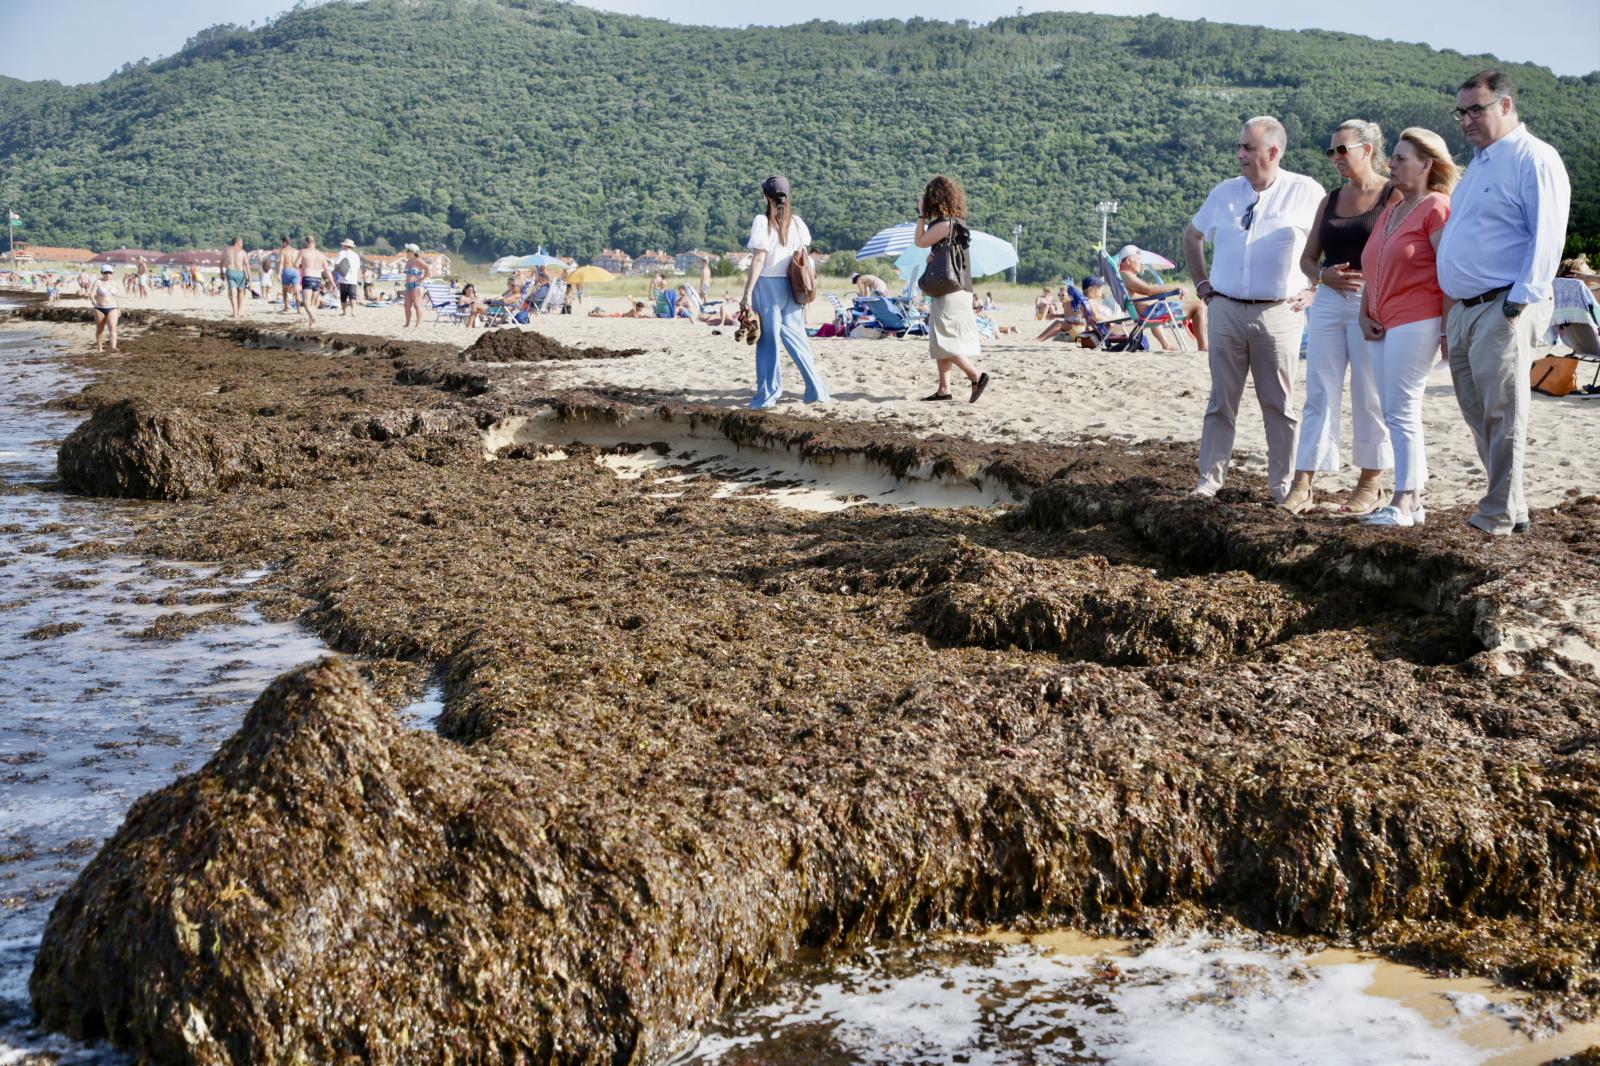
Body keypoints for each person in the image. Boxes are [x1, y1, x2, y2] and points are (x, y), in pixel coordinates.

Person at [1437, 70, 1572, 536]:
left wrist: (1518, 304)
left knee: (1504, 412)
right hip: (1466, 308)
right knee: (1478, 411)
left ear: (1506, 106)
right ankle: (1511, 507)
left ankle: (1495, 513)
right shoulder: (1479, 162)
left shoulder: (1533, 158)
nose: (1467, 119)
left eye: (1477, 109)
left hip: (1503, 303)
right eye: (1462, 111)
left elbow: (1548, 235)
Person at [1182, 116, 1324, 503]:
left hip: (1279, 312)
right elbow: (1192, 236)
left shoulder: (1306, 191)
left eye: (1248, 147)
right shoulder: (1224, 192)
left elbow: (1334, 242)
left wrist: (1315, 288)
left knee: (1279, 404)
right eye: (1240, 146)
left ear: (1273, 152)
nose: (1239, 154)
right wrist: (1201, 284)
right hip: (1224, 307)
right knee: (1220, 402)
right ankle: (1209, 482)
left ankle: (1283, 488)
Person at [1283, 119, 1401, 516]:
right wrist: (1320, 277)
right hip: (1331, 300)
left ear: (1366, 150)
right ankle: (1303, 483)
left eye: (1341, 150)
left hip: (1374, 300)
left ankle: (1370, 483)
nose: (1334, 157)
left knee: (1369, 394)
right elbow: (1306, 258)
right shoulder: (1330, 199)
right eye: (1331, 151)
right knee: (1319, 392)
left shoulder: (1393, 195)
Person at [1355, 129, 1458, 528]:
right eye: (1392, 158)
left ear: (1426, 164)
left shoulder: (1437, 206)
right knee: (1392, 409)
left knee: (1401, 409)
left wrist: (1448, 331)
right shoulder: (1392, 207)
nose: (1390, 164)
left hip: (1419, 318)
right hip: (1382, 319)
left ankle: (1406, 499)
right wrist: (1365, 311)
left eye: (1399, 158)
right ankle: (1411, 499)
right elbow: (1371, 264)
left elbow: (1448, 271)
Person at [738, 175, 830, 409]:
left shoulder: (762, 221)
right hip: (792, 286)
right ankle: (816, 390)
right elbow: (802, 254)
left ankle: (768, 394)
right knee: (798, 339)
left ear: (764, 197)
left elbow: (759, 258)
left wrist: (747, 293)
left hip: (767, 285)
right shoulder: (797, 222)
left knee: (768, 342)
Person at [913, 175, 990, 403]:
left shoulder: (945, 224)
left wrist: (920, 216)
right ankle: (943, 389)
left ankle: (975, 375)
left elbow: (919, 241)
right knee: (941, 337)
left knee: (944, 339)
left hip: (949, 290)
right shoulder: (958, 224)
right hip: (960, 288)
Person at [1113, 246, 1207, 352]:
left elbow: (1147, 294)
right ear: (1129, 260)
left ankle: (1166, 345)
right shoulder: (1127, 276)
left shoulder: (1125, 276)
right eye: (1139, 259)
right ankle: (1203, 347)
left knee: (1158, 304)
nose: (1141, 263)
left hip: (1149, 311)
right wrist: (1176, 287)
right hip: (1150, 313)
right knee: (1199, 306)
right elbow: (1149, 290)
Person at [298, 236, 331, 327]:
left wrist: (303, 264)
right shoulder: (321, 254)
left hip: (307, 277)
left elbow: (296, 264)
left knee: (306, 302)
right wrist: (332, 282)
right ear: (314, 243)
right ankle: (311, 322)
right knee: (313, 303)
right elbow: (327, 270)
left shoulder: (303, 252)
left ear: (306, 243)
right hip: (317, 279)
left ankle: (314, 318)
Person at [90, 264, 120, 353]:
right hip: (99, 308)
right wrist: (93, 301)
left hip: (113, 307)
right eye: (105, 272)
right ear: (102, 273)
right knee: (100, 329)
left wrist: (119, 308)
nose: (108, 274)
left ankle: (113, 347)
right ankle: (100, 348)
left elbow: (116, 297)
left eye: (110, 272)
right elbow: (91, 294)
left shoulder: (114, 283)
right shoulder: (98, 282)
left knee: (113, 328)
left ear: (112, 273)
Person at [220, 237, 250, 318]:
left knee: (233, 293)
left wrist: (222, 272)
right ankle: (238, 311)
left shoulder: (227, 250)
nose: (242, 244)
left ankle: (235, 313)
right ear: (237, 243)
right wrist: (249, 277)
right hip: (240, 273)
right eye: (241, 242)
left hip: (230, 272)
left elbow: (221, 263)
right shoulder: (243, 252)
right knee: (240, 292)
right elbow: (247, 264)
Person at [402, 244, 429, 328]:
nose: (406, 252)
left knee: (417, 305)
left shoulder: (418, 260)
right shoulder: (408, 261)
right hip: (408, 286)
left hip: (416, 286)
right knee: (407, 305)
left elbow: (427, 268)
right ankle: (407, 323)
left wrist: (423, 278)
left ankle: (418, 324)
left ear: (413, 252)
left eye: (408, 251)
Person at [333, 239, 362, 317]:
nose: (342, 246)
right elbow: (358, 269)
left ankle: (344, 312)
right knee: (353, 296)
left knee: (343, 296)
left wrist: (334, 276)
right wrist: (358, 280)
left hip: (343, 278)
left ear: (345, 246)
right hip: (353, 279)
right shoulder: (356, 255)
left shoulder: (342, 253)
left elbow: (336, 265)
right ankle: (353, 311)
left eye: (343, 245)